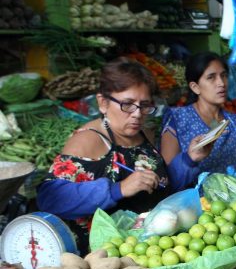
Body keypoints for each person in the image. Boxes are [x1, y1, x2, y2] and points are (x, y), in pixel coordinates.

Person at [37, 58, 212, 252]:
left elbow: (161, 185)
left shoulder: (142, 134)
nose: (137, 114)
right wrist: (117, 189)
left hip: (151, 249)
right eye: (127, 104)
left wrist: (189, 159)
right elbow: (50, 199)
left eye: (144, 106)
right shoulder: (88, 140)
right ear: (103, 102)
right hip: (104, 257)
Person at [160, 52, 236, 185]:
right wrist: (190, 159)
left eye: (223, 76)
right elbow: (167, 177)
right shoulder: (178, 119)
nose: (221, 83)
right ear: (195, 87)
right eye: (211, 77)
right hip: (193, 203)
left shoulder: (233, 121)